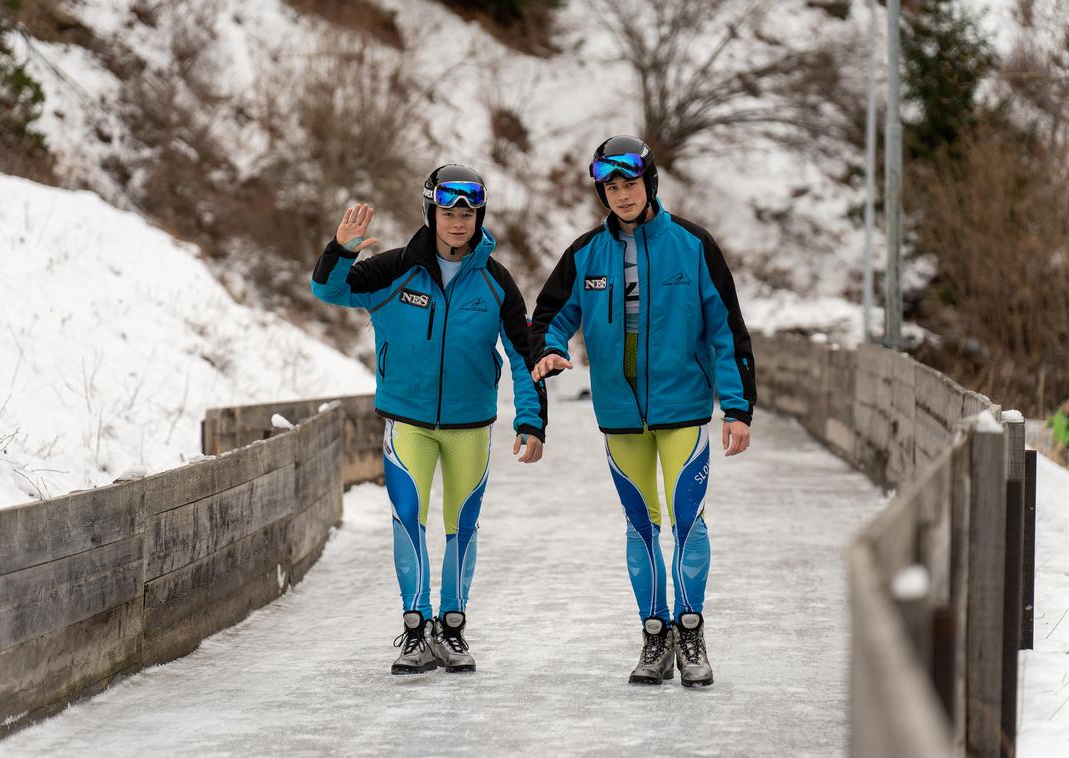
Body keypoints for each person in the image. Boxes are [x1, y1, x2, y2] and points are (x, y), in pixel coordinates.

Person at [530, 136, 755, 687]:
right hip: (620, 416)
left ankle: (691, 631)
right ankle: (655, 636)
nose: (621, 194)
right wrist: (549, 349)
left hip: (684, 410)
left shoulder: (693, 245)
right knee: (639, 526)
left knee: (687, 521)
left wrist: (738, 407)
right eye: (611, 186)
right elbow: (549, 317)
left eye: (629, 183)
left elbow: (727, 330)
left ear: (649, 184)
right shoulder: (586, 254)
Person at [311, 164, 546, 675]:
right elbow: (329, 290)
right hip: (409, 424)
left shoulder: (497, 281)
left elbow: (524, 355)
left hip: (470, 428)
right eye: (447, 211)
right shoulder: (394, 269)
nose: (458, 221)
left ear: (479, 216)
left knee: (462, 527)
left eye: (468, 212)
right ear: (431, 212)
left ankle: (453, 628)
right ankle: (416, 630)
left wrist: (530, 421)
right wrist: (342, 249)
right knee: (408, 522)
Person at [1045, 399, 1069, 466]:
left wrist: (1065, 442)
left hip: (1065, 442)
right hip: (1055, 439)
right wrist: (1046, 426)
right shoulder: (1059, 413)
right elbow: (1051, 421)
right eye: (1067, 404)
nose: (1068, 406)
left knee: (1063, 460)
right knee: (1053, 459)